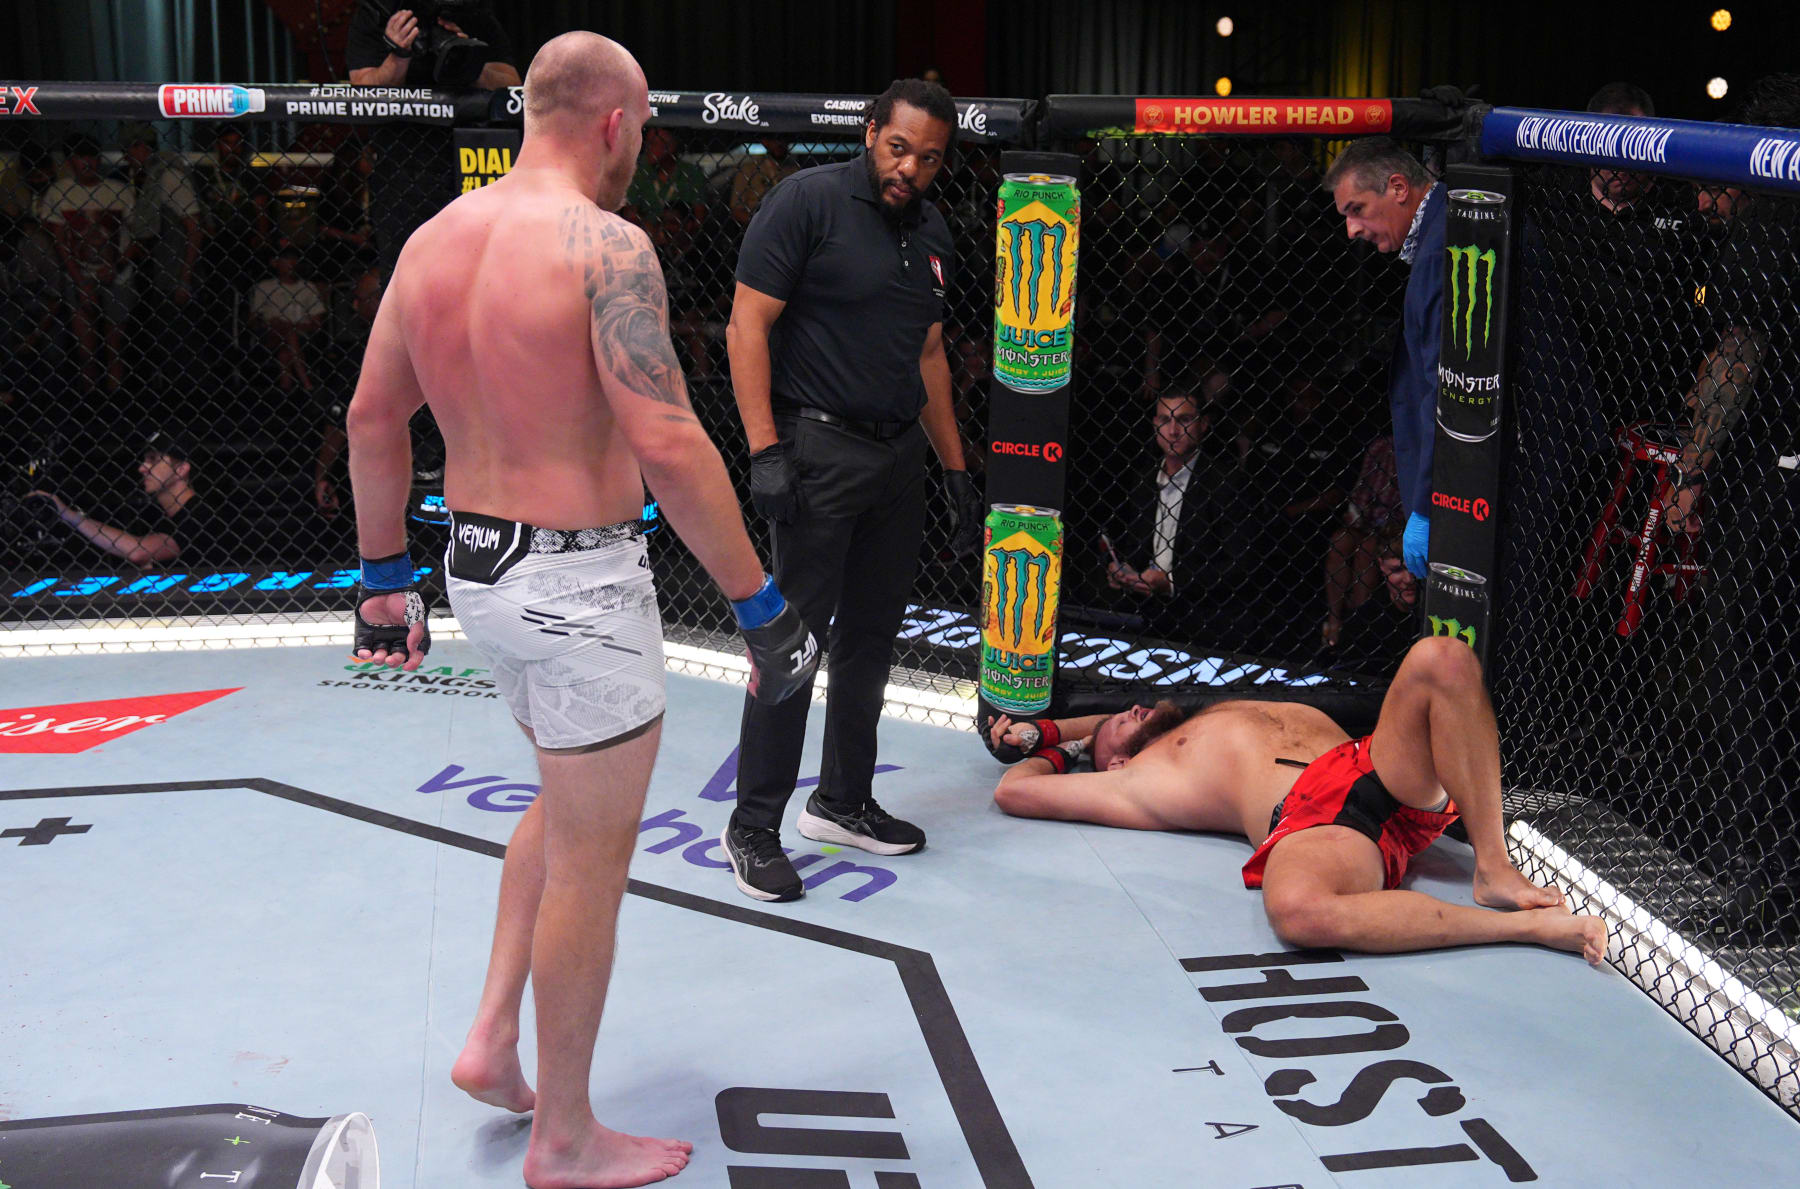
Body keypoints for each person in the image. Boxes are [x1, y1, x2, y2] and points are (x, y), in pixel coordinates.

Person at [344, 32, 815, 1188]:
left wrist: (380, 578)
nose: (640, 151)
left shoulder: (434, 241)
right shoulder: (607, 247)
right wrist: (761, 603)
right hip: (576, 582)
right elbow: (664, 437)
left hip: (477, 565)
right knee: (594, 863)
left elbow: (370, 417)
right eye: (642, 131)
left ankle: (493, 1040)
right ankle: (563, 1136)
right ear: (612, 122)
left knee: (561, 801)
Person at [722, 77, 980, 902]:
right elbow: (745, 325)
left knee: (871, 640)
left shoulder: (933, 230)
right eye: (898, 147)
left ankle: (842, 800)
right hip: (817, 449)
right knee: (792, 646)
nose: (910, 167)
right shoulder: (807, 203)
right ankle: (753, 824)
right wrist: (764, 449)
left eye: (929, 157)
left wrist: (955, 468)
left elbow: (930, 355)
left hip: (897, 457)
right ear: (871, 132)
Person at [984, 636, 1608, 963]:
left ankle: (1493, 866)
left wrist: (1079, 727)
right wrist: (1058, 739)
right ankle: (1522, 928)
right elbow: (1018, 791)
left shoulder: (1189, 720)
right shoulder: (1135, 779)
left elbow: (1114, 720)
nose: (1128, 710)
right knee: (1301, 914)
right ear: (1110, 757)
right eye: (1115, 723)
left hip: (1373, 766)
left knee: (1441, 658)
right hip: (1319, 821)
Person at [1325, 137, 1444, 581]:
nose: (1351, 229)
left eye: (1356, 208)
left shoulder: (1438, 250)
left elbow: (1449, 389)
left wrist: (1431, 503)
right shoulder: (1440, 235)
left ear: (1398, 187)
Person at [346, 2, 521, 273]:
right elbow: (362, 91)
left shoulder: (472, 12)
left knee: (482, 272)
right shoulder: (377, 11)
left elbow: (512, 85)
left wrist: (469, 64)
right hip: (403, 171)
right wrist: (399, 54)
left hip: (473, 164)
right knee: (407, 274)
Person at [27, 430, 226, 566]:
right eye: (144, 460)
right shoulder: (160, 515)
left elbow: (138, 552)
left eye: (153, 460)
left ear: (182, 468)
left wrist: (69, 514)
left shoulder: (201, 514)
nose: (142, 468)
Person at [35, 135, 137, 394]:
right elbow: (59, 242)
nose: (87, 163)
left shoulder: (118, 190)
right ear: (71, 161)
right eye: (81, 158)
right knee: (86, 352)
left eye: (91, 157)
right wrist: (81, 282)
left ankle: (116, 405)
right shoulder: (60, 191)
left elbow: (141, 236)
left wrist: (116, 264)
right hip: (78, 274)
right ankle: (90, 406)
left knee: (116, 348)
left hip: (118, 275)